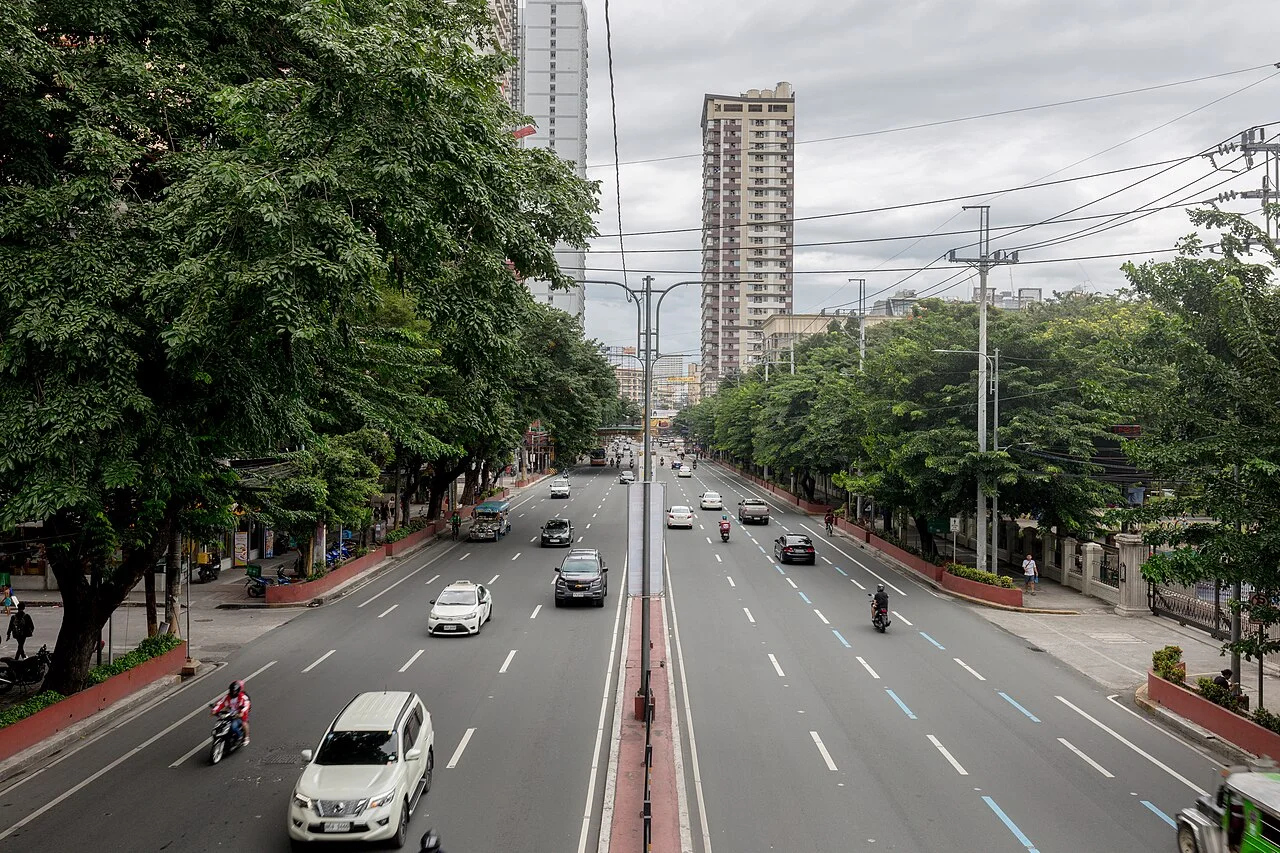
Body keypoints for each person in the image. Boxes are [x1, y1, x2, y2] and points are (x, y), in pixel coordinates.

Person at [213, 680, 251, 746]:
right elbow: (220, 703)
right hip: (229, 714)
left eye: (234, 691)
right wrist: (215, 710)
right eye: (232, 691)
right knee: (219, 725)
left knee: (234, 726)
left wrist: (241, 713)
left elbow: (246, 706)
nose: (233, 692)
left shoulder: (243, 697)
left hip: (238, 715)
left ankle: (243, 737)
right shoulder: (227, 696)